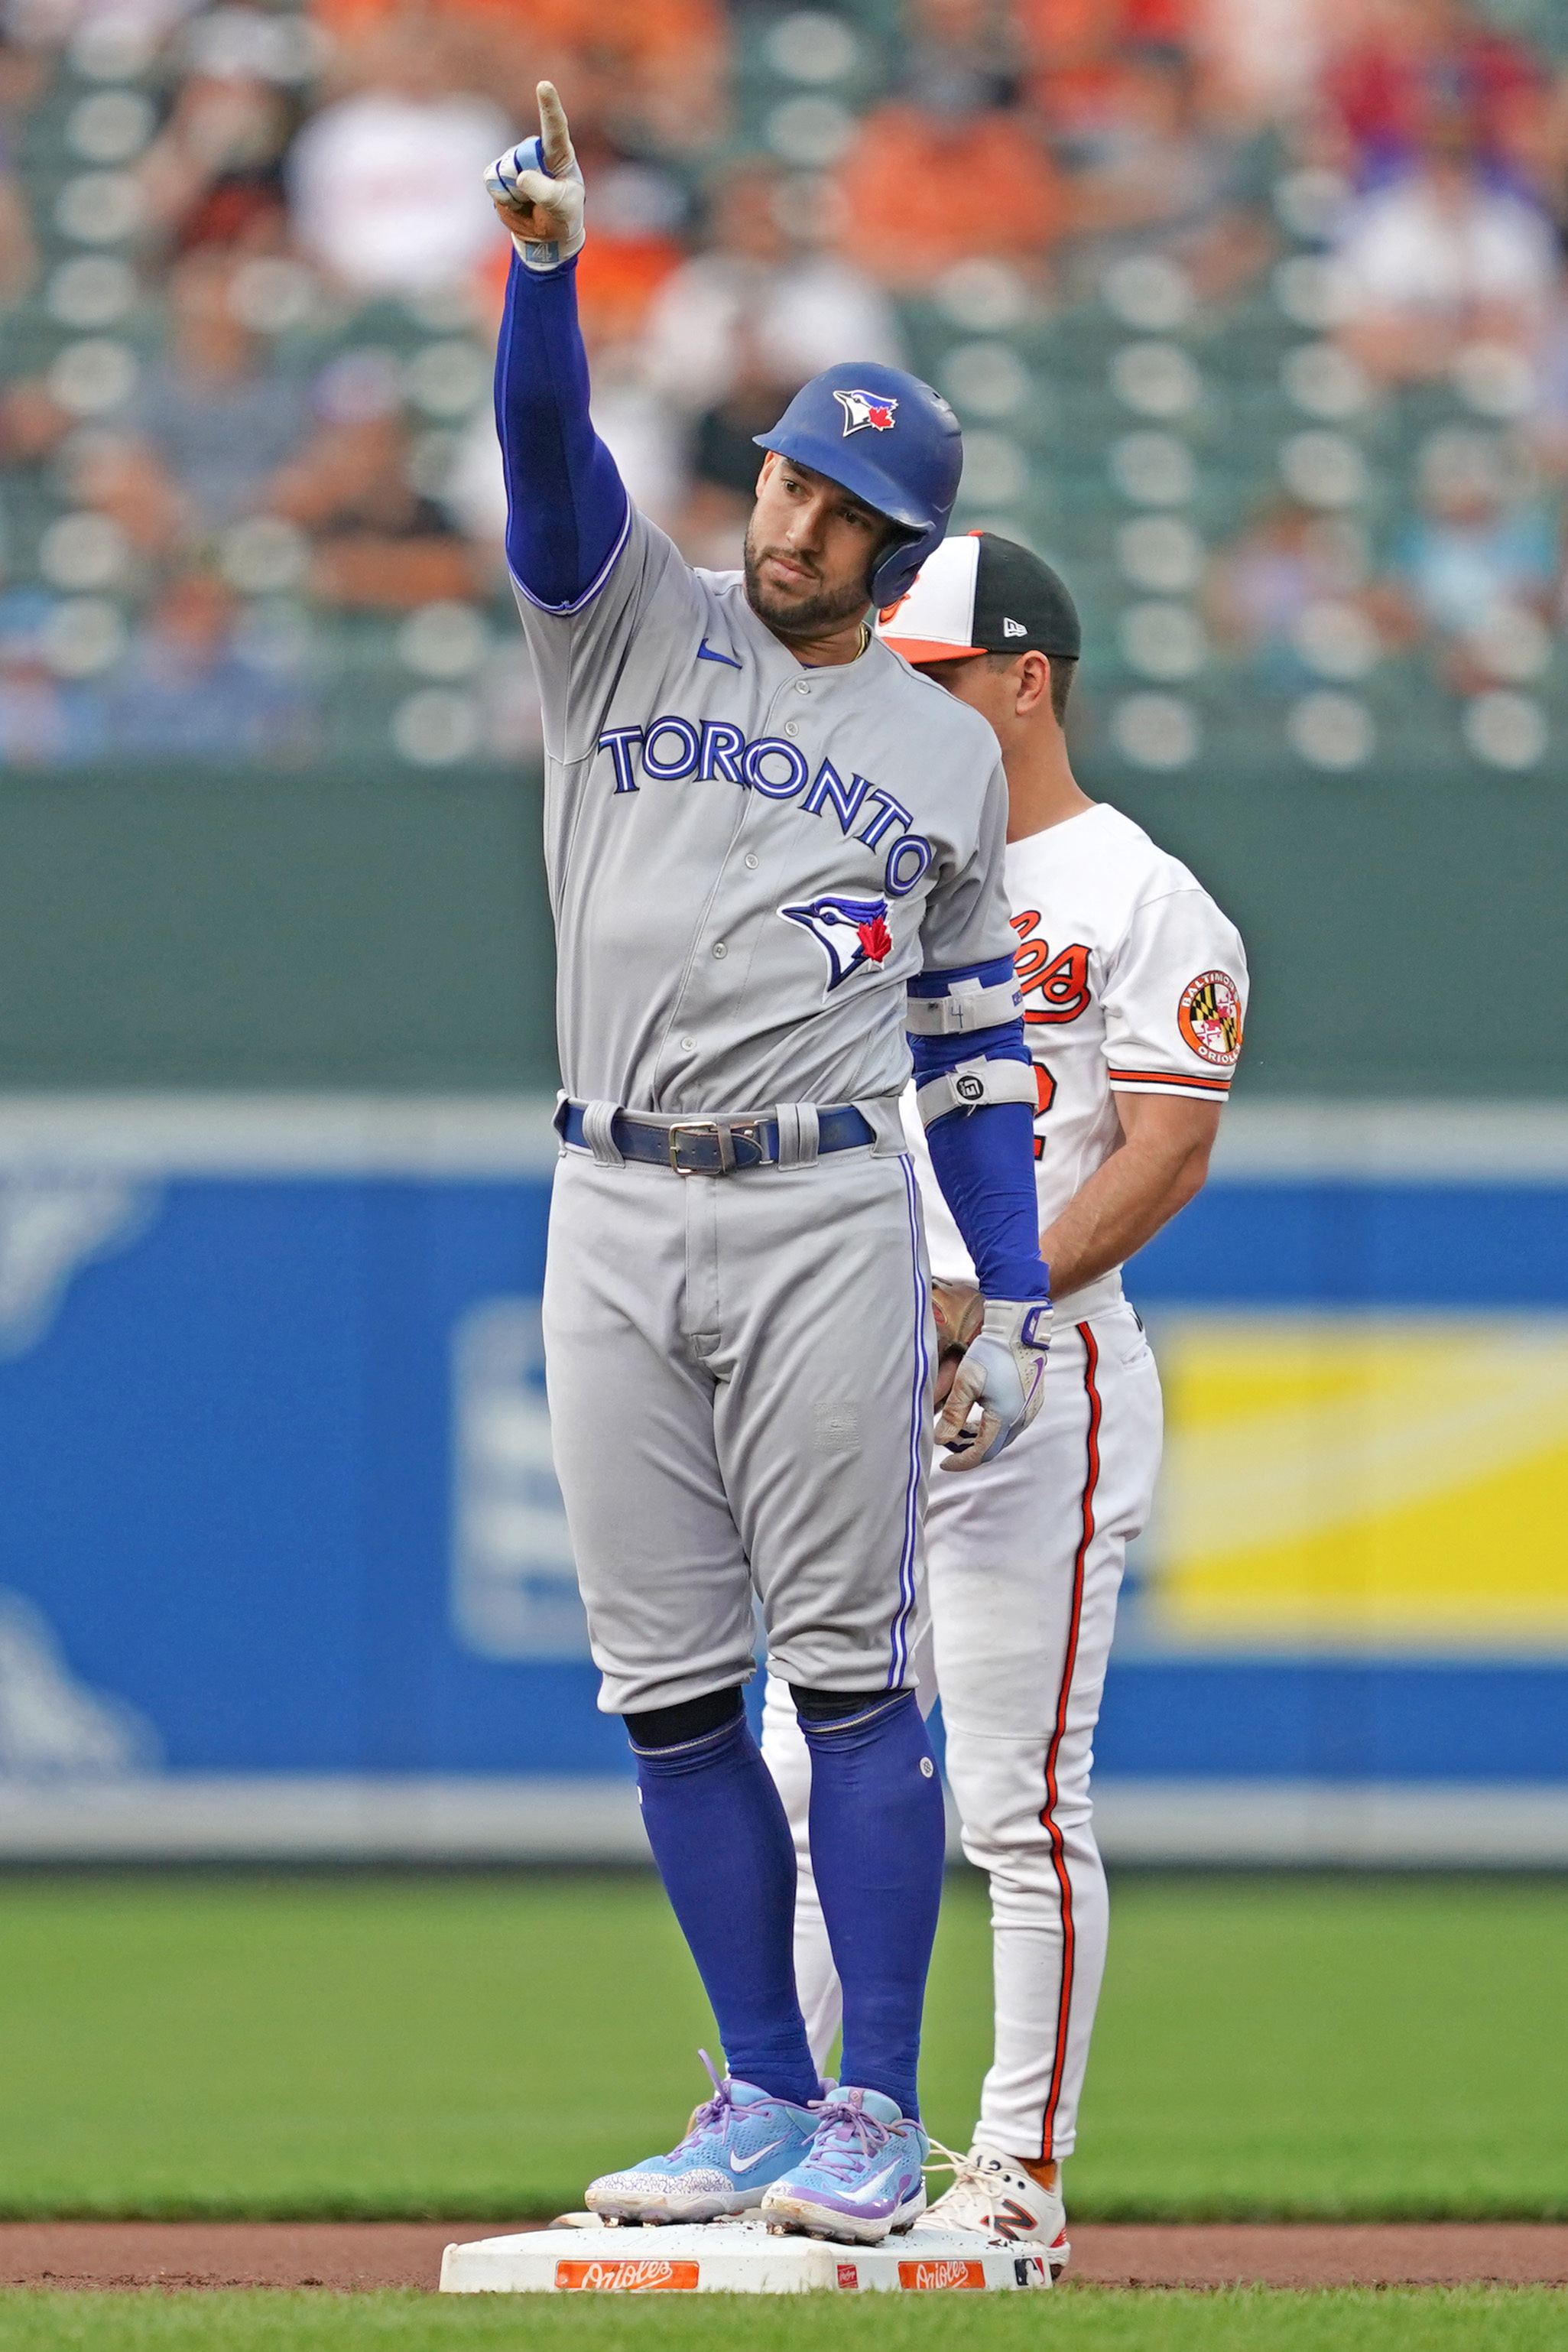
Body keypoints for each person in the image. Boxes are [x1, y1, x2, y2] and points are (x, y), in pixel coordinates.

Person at [485, 87, 1053, 2246]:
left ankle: (872, 2109)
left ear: (900, 551)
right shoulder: (624, 619)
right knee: (660, 1680)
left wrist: (988, 1286)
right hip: (607, 1192)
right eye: (788, 475)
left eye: (838, 502)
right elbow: (548, 462)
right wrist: (543, 273)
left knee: (847, 1671)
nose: (792, 514)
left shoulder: (939, 747)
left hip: (821, 1202)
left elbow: (972, 1042)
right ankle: (744, 2084)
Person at [762, 531, 1248, 2269]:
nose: (904, 696)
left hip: (1043, 1382)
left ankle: (1017, 2170)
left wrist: (1008, 1300)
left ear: (1025, 680)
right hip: (864, 1376)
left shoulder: (1141, 892)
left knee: (1014, 1803)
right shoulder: (877, 869)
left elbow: (1169, 1144)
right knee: (809, 1776)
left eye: (938, 671)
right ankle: (787, 2123)